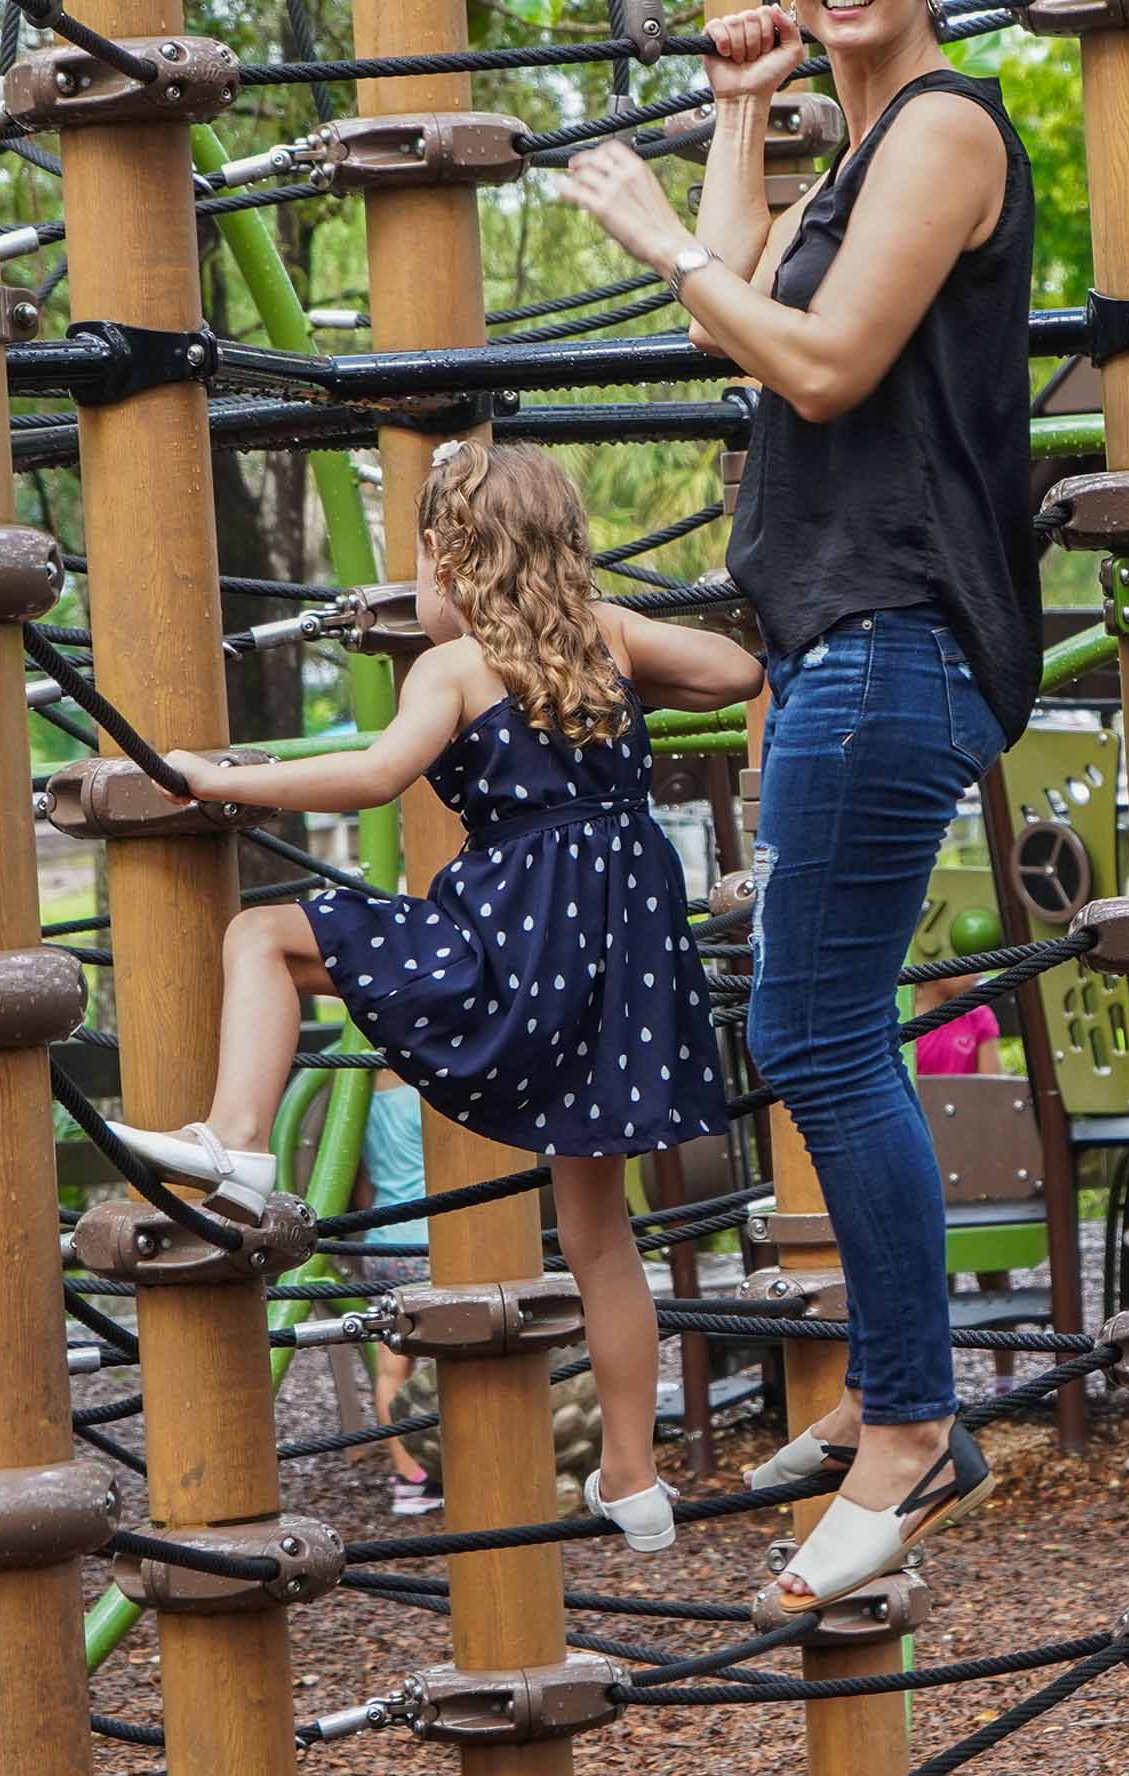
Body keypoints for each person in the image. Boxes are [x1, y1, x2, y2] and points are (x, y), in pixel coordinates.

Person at [560, 0, 1040, 1613]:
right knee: (813, 1019)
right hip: (842, 640)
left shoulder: (943, 128)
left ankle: (915, 1424)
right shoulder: (854, 143)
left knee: (819, 1030)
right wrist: (737, 119)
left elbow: (823, 363)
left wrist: (635, 221)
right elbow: (734, 320)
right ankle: (886, 1398)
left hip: (897, 631)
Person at [109, 440, 765, 1554]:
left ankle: (236, 1137)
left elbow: (372, 774)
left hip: (510, 955)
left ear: (449, 560)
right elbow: (735, 673)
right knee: (601, 1233)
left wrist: (220, 780)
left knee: (265, 934)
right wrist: (607, 647)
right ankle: (631, 1472)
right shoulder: (606, 638)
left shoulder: (451, 672)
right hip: (612, 978)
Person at [351, 1078, 441, 1516]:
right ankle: (461, 1463)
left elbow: (364, 1185)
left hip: (383, 1242)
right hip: (430, 1241)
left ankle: (409, 1478)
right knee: (457, 1354)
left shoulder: (361, 1091)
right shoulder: (429, 1089)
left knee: (392, 1368)